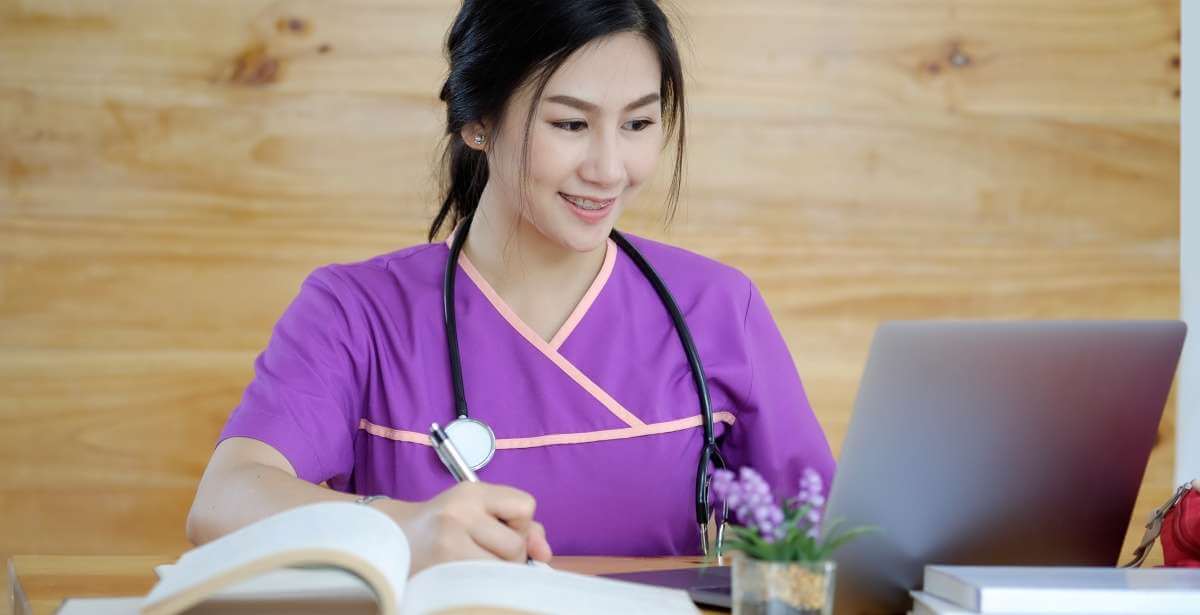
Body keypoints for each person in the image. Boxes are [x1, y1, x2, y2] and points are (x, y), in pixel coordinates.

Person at [186, 0, 835, 576]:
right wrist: (401, 528)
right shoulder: (356, 312)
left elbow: (830, 537)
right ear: (478, 121)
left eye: (638, 124)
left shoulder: (718, 308)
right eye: (570, 124)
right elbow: (223, 501)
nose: (610, 169)